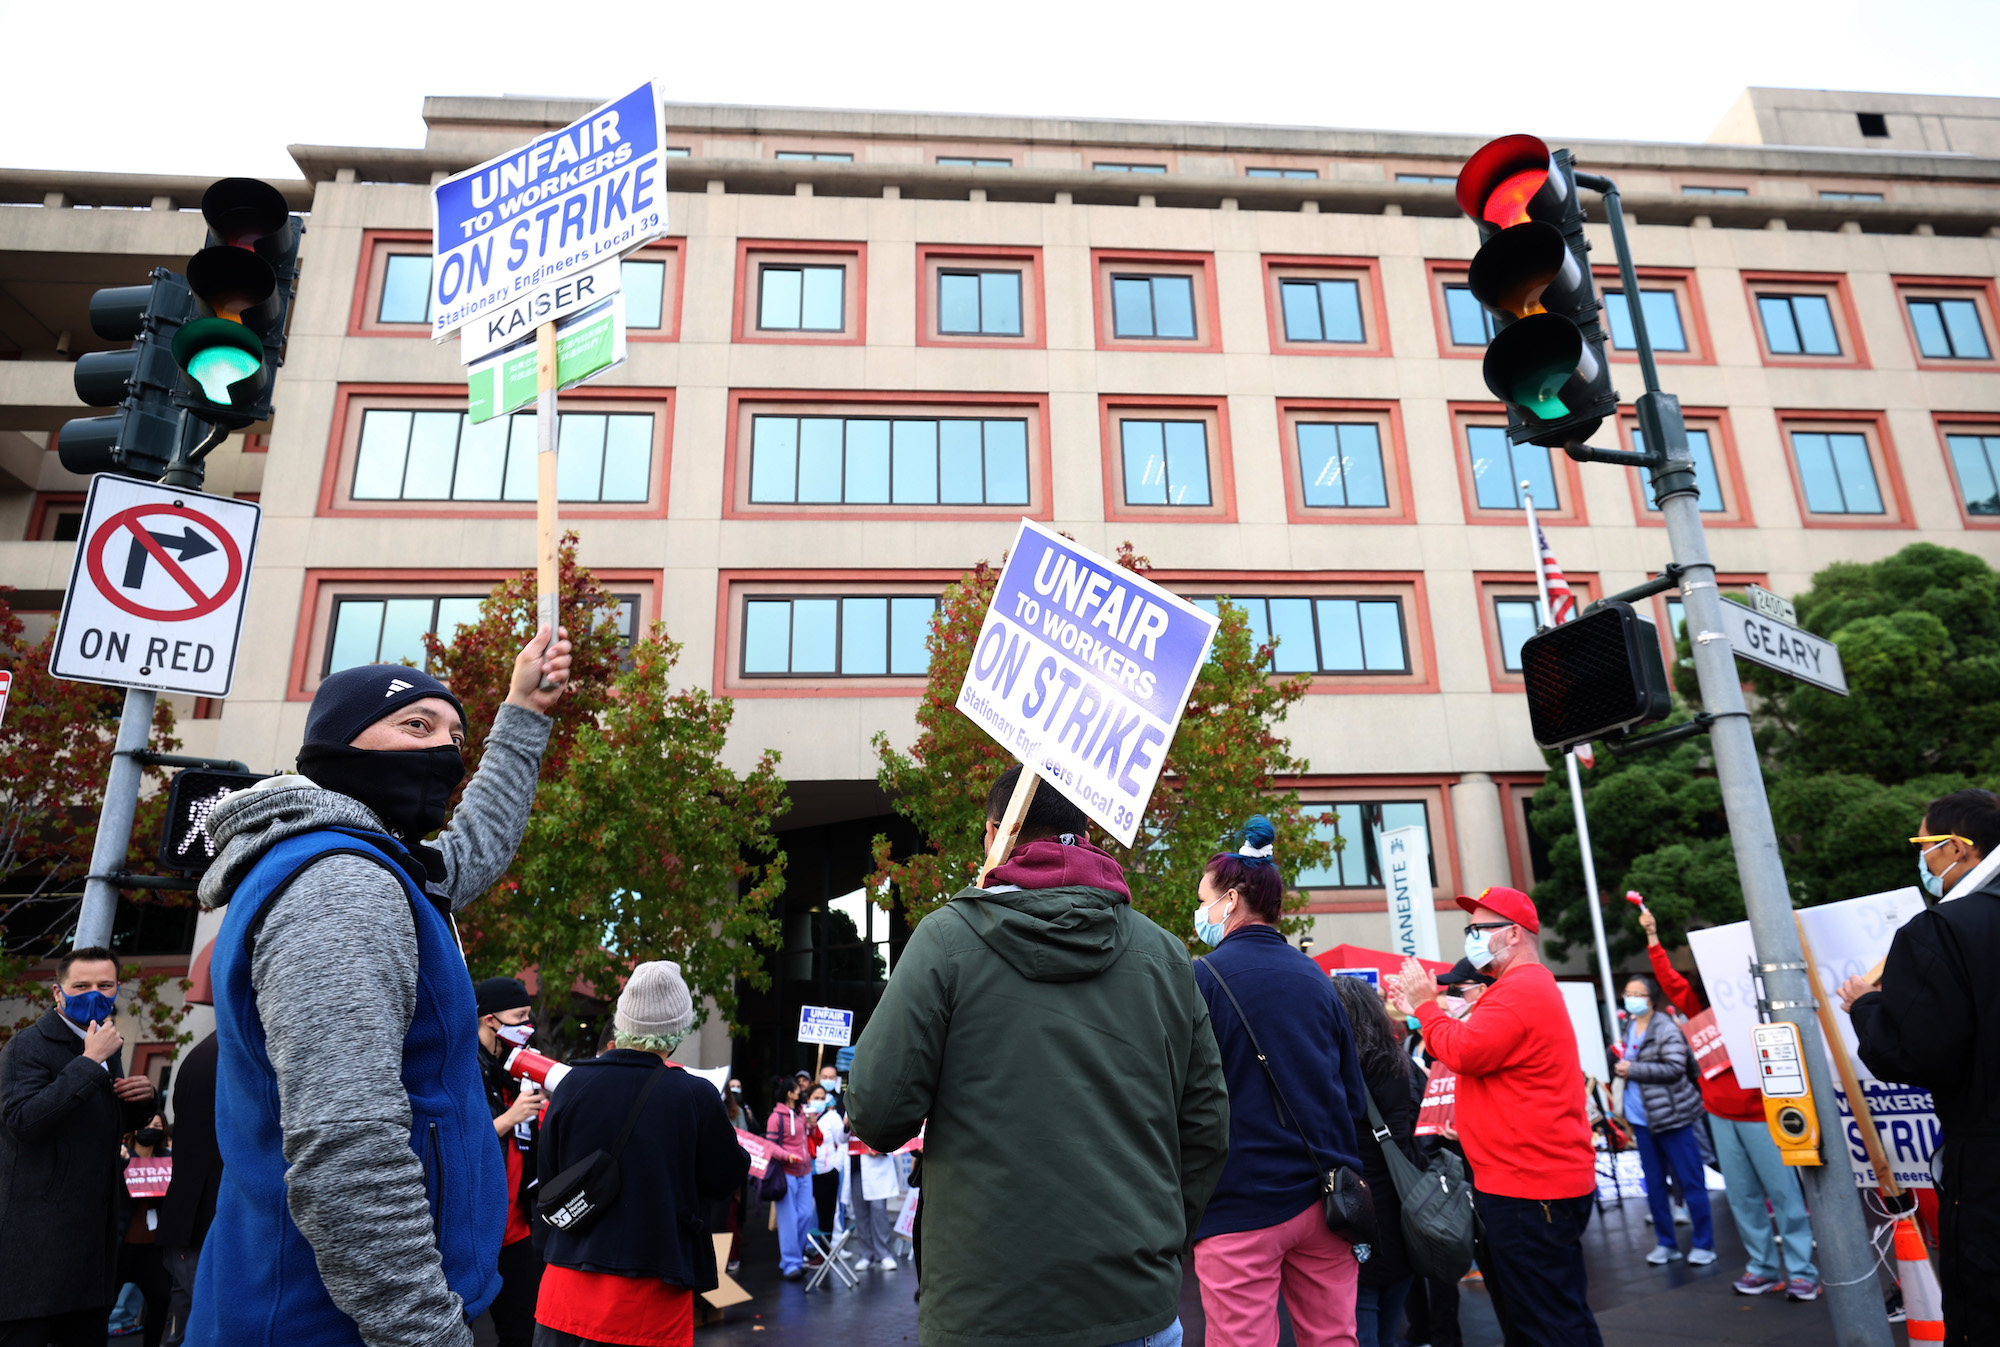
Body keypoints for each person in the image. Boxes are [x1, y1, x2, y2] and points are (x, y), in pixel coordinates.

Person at [187, 629, 572, 1347]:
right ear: (338, 748)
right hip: (337, 1325)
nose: (444, 752)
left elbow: (469, 851)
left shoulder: (374, 865)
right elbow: (347, 1148)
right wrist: (427, 1333)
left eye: (454, 734)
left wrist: (522, 710)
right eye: (416, 725)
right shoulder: (342, 885)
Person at [850, 764, 1228, 1347]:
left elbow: (877, 1113)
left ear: (996, 832)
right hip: (1134, 1299)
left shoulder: (945, 940)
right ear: (1085, 831)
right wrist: (1161, 1241)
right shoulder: (1166, 956)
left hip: (986, 1307)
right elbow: (1206, 1124)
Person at [1391, 886, 1601, 1347]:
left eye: (1476, 929)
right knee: (1544, 1314)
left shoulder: (1519, 990)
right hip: (1525, 1182)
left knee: (1548, 1322)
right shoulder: (1519, 989)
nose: (1469, 937)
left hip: (1530, 1188)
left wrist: (1427, 1004)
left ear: (1511, 935)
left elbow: (1463, 1051)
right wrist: (1422, 1009)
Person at [1187, 817, 1368, 1347]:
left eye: (1205, 900)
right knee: (1335, 1338)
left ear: (1232, 901)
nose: (1201, 913)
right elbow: (1352, 1097)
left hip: (1239, 1203)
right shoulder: (1317, 979)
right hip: (1328, 1199)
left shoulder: (1203, 979)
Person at [1839, 789, 2000, 1344]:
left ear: (1957, 847)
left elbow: (1918, 1052)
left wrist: (1866, 1005)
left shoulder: (1941, 930)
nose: (1923, 858)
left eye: (1925, 844)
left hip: (1986, 1163)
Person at [532, 961, 750, 1347]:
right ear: (678, 1029)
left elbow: (549, 1176)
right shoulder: (695, 1095)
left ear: (621, 1022)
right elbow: (726, 1178)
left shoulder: (571, 1084)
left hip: (565, 1286)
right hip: (650, 1294)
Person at [1636, 905, 1817, 1298]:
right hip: (1719, 1113)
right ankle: (1763, 1268)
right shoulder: (1696, 1004)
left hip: (1761, 1112)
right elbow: (1667, 979)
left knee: (1783, 1194)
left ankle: (1803, 1271)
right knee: (1744, 1197)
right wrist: (1652, 937)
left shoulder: (1760, 999)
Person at [0, 946, 159, 1347]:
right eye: (81, 986)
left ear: (117, 988)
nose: (94, 993)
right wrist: (90, 1062)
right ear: (58, 992)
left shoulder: (106, 1040)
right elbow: (24, 1121)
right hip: (36, 1250)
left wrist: (141, 1105)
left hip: (92, 1250)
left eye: (104, 985)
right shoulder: (27, 1046)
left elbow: (93, 1127)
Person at [1329, 975, 1423, 1347]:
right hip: (1402, 1206)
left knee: (1360, 1317)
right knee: (1391, 1317)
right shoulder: (1403, 1066)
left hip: (1355, 1207)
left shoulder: (1336, 1069)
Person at [1612, 976, 1715, 1268]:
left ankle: (1704, 1244)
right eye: (1627, 993)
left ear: (1651, 999)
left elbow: (1674, 1067)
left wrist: (1633, 1068)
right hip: (1641, 1120)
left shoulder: (1666, 1027)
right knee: (1654, 1185)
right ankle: (1665, 1243)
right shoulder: (1629, 1026)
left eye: (1637, 994)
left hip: (1673, 1117)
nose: (1630, 998)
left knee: (1691, 1180)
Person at [476, 977, 548, 1347]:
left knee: (522, 1331)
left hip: (517, 1227)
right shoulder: (465, 1069)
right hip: (475, 1229)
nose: (527, 1025)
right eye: (519, 1016)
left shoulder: (511, 1069)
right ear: (490, 1020)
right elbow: (462, 1144)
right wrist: (512, 1116)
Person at [157, 1031, 220, 1347]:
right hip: (204, 1223)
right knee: (208, 1325)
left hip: (189, 1222)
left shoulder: (203, 1053)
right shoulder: (230, 1053)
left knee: (187, 1326)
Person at [115, 1115, 174, 1347]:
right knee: (107, 1302)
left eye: (157, 1126)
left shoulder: (168, 1160)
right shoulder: (122, 1155)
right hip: (122, 1243)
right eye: (147, 1124)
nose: (152, 1129)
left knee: (160, 1299)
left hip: (151, 1246)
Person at [765, 1075, 814, 1280]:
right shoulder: (776, 1117)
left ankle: (794, 1257)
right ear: (789, 1093)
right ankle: (791, 1263)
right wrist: (787, 1156)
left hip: (805, 1172)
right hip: (786, 1174)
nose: (800, 1091)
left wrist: (812, 1125)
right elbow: (770, 1146)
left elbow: (807, 1137)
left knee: (805, 1215)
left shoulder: (802, 1113)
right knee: (789, 1220)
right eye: (797, 1089)